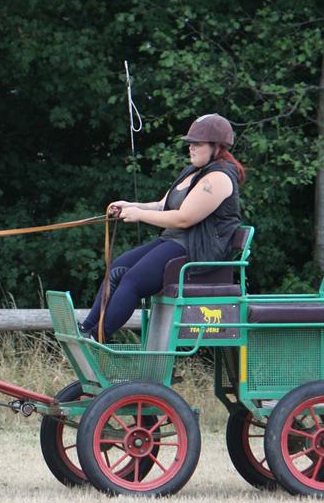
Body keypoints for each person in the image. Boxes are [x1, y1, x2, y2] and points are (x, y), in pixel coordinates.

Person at [79, 113, 245, 340]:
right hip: (176, 241)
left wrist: (139, 215)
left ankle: (98, 336)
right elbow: (162, 205)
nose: (191, 148)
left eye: (197, 144)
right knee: (118, 268)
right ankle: (86, 328)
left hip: (197, 251)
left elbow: (184, 218)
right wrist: (130, 205)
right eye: (190, 144)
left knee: (133, 281)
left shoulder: (218, 178)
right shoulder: (192, 172)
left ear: (217, 146)